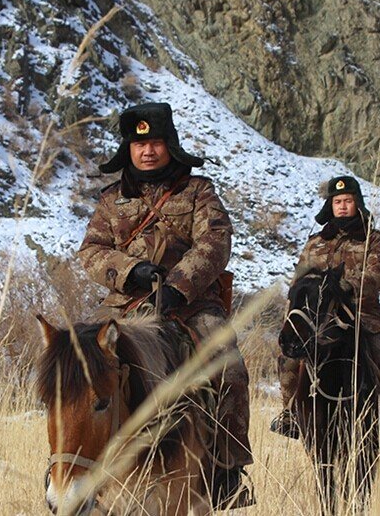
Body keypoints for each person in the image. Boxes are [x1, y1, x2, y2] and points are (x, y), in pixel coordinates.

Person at [77, 102, 253, 507]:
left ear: (169, 145)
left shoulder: (198, 191)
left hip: (191, 305)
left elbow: (216, 242)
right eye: (139, 144)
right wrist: (131, 270)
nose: (148, 151)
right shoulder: (111, 200)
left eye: (155, 143)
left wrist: (177, 285)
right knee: (78, 363)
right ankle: (69, 468)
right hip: (124, 304)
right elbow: (91, 251)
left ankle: (225, 471)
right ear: (129, 149)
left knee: (230, 370)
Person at [270, 175, 380, 438]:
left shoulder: (372, 239)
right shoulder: (315, 242)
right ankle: (290, 414)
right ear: (330, 205)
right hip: (316, 318)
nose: (342, 206)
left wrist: (348, 285)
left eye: (348, 201)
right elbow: (298, 283)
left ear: (357, 203)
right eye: (337, 201)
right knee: (288, 359)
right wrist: (293, 316)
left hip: (361, 314)